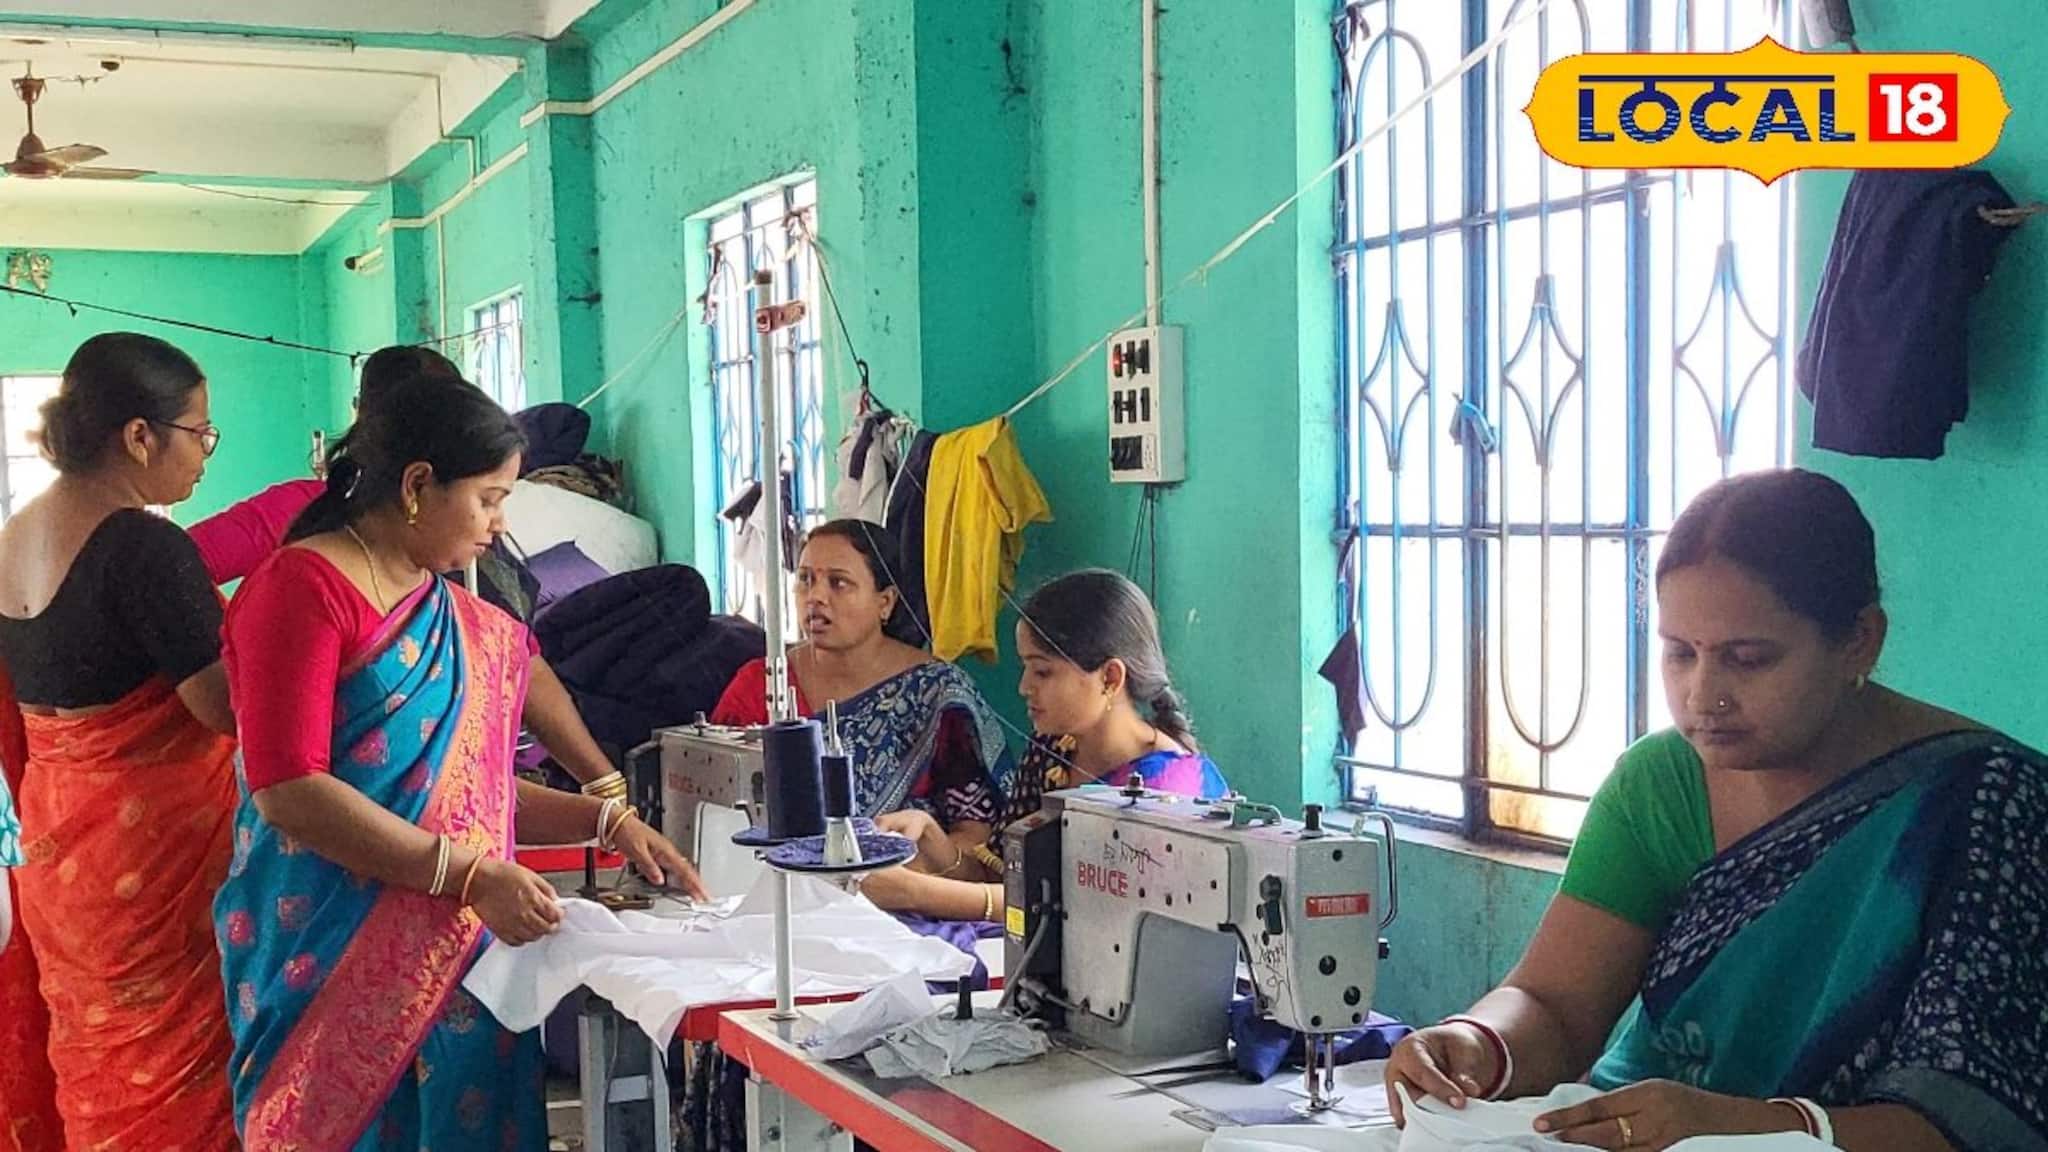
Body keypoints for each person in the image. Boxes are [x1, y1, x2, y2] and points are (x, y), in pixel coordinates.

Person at [1384, 469, 2048, 1152]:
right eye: (1679, 654)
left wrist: (1748, 1128)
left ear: (1859, 641)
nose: (1704, 695)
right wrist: (1477, 1043)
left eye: (1748, 659)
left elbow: (1978, 1119)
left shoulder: (1988, 808)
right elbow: (1554, 1005)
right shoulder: (1658, 784)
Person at [215, 374, 706, 1150]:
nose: (498, 525)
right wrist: (472, 876)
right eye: (488, 499)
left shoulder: (446, 609)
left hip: (467, 964)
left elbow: (468, 787)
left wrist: (608, 819)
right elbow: (288, 790)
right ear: (417, 486)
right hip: (326, 949)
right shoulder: (302, 588)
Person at [0, 332, 240, 1151]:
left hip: (61, 850)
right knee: (178, 1071)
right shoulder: (144, 545)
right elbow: (225, 709)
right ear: (140, 436)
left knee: (98, 1053)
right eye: (200, 432)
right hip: (154, 859)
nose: (205, 453)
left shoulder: (14, 535)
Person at [875, 568, 1228, 921]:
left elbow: (1084, 912)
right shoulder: (1054, 750)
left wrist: (916, 892)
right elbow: (1005, 877)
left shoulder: (1168, 792)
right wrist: (932, 838)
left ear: (1110, 677)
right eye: (1026, 668)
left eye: (1042, 672)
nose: (1024, 687)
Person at [709, 519, 1013, 875]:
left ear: (885, 602)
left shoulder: (936, 694)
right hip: (774, 886)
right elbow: (719, 802)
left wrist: (909, 871)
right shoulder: (763, 684)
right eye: (805, 579)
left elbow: (976, 837)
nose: (816, 597)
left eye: (838, 583)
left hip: (912, 894)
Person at [189, 344, 464, 583]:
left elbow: (168, 565)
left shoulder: (297, 506)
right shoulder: (462, 524)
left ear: (360, 411)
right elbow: (168, 565)